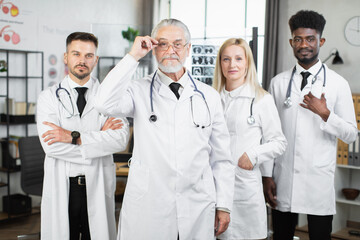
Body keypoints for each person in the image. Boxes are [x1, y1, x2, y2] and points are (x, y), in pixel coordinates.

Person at [95, 18, 235, 240]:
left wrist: (224, 205)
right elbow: (102, 103)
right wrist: (133, 57)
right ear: (153, 49)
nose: (170, 50)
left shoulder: (209, 96)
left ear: (188, 49)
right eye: (162, 44)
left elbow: (222, 158)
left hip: (197, 203)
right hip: (150, 205)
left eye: (178, 44)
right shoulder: (137, 90)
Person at [261, 10, 358, 240]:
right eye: (298, 39)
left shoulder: (337, 84)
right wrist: (267, 175)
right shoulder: (278, 83)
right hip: (283, 177)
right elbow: (268, 134)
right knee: (281, 235)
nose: (304, 44)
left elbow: (351, 134)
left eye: (310, 39)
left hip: (318, 180)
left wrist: (326, 114)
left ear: (320, 41)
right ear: (291, 42)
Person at [36, 32, 130, 240]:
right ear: (66, 57)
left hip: (97, 185)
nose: (82, 60)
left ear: (96, 60)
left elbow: (120, 140)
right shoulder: (49, 98)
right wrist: (99, 139)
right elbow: (51, 146)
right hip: (64, 186)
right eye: (76, 54)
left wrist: (73, 137)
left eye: (89, 56)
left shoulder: (109, 97)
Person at [212, 38, 287, 240]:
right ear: (220, 63)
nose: (232, 65)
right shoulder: (211, 98)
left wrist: (253, 154)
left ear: (247, 63)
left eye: (238, 58)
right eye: (226, 59)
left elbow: (279, 142)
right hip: (213, 186)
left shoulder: (261, 99)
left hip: (244, 187)